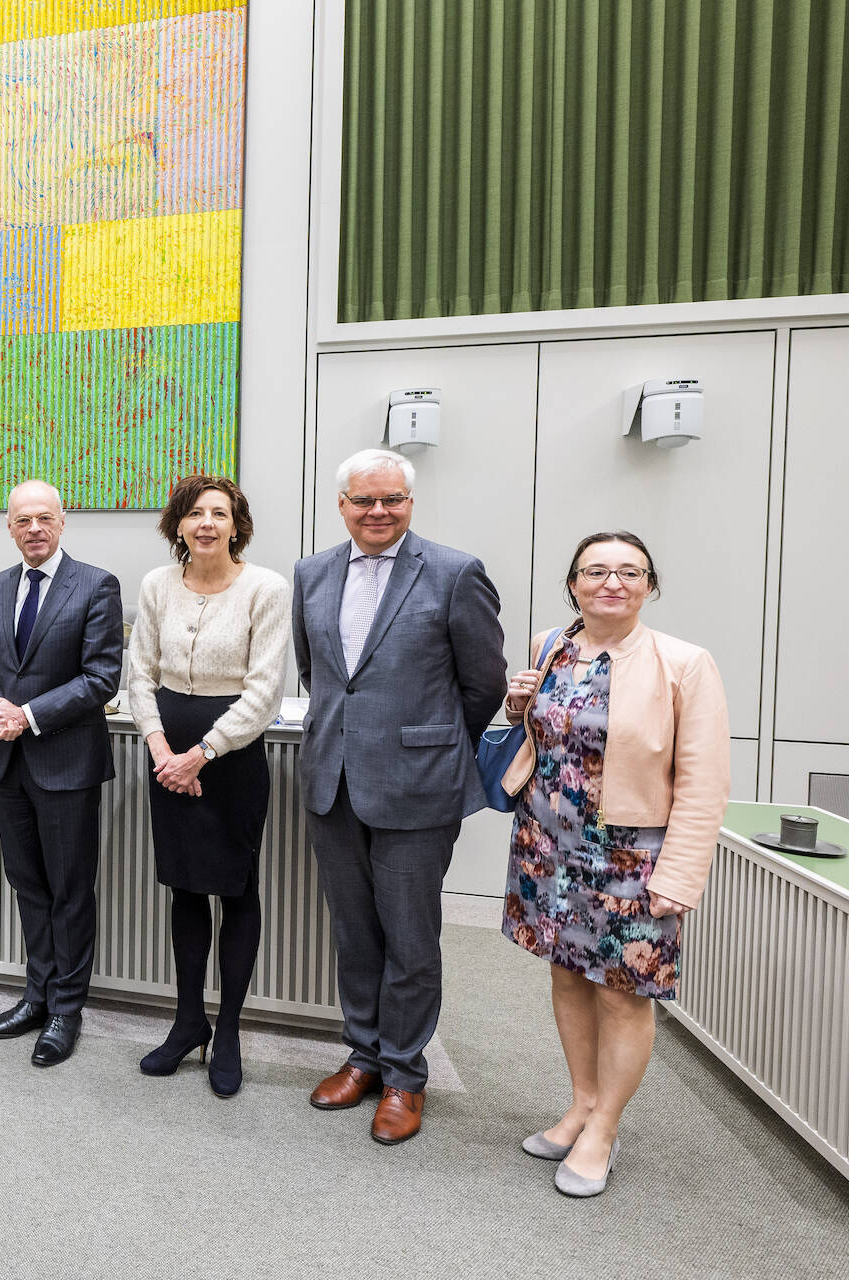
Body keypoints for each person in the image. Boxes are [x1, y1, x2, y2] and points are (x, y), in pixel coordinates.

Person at [500, 532, 730, 1197]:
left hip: (631, 855)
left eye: (629, 572)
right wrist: (519, 703)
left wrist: (681, 874)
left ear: (649, 586)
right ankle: (579, 1105)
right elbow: (539, 736)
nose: (612, 582)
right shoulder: (552, 646)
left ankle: (604, 1127)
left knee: (621, 992)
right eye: (596, 570)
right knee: (569, 976)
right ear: (573, 583)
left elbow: (704, 778)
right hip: (548, 844)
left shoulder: (684, 663)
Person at [291, 448, 506, 1143]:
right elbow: (317, 672)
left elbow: (484, 684)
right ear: (344, 505)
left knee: (410, 937)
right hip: (335, 780)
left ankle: (406, 1074)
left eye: (392, 500)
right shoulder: (312, 574)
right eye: (364, 501)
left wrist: (432, 743)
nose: (378, 512)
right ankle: (364, 1055)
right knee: (354, 932)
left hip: (418, 786)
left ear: (410, 504)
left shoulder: (453, 572)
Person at [127, 476, 289, 1096]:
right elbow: (140, 674)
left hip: (231, 757)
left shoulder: (266, 588)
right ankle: (187, 1020)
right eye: (195, 513)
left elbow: (264, 690)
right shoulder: (156, 585)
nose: (207, 523)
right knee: (185, 891)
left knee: (236, 890)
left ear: (236, 526)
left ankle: (228, 1031)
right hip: (166, 751)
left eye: (220, 514)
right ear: (178, 524)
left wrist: (200, 755)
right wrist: (162, 751)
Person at [0, 479, 123, 1068]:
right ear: (9, 527)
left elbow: (100, 678)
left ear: (63, 521)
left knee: (69, 891)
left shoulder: (96, 585)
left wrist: (25, 715)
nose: (34, 528)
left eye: (44, 518)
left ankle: (66, 1009)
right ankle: (36, 995)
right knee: (28, 885)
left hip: (66, 764)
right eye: (22, 520)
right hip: (8, 766)